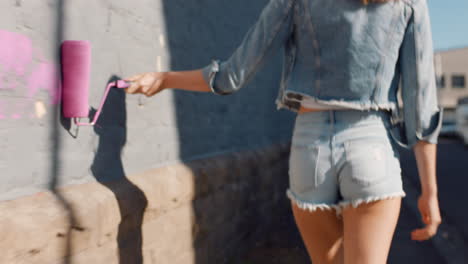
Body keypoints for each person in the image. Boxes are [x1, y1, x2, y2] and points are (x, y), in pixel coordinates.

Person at [124, 0, 443, 263]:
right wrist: (430, 192)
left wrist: (165, 79)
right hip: (371, 149)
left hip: (310, 151)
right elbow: (420, 104)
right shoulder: (410, 5)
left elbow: (232, 76)